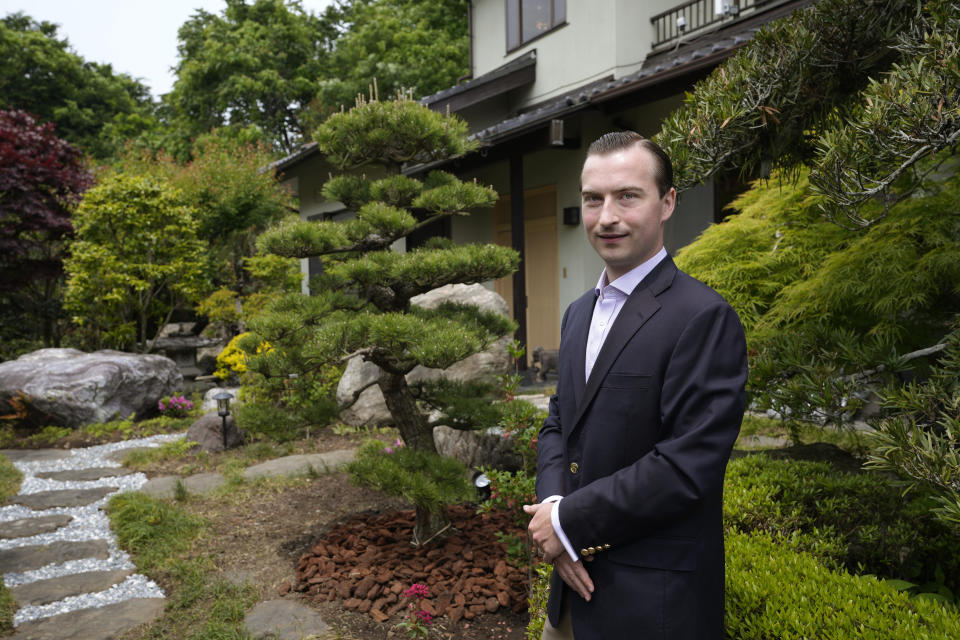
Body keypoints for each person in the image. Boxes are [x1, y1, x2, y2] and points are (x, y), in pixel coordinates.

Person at [523, 131, 748, 639]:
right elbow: (560, 423)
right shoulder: (579, 313)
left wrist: (568, 523)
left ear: (667, 202)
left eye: (628, 195)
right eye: (592, 199)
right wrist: (554, 515)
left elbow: (687, 466)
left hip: (652, 605)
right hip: (569, 599)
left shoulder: (703, 317)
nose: (607, 216)